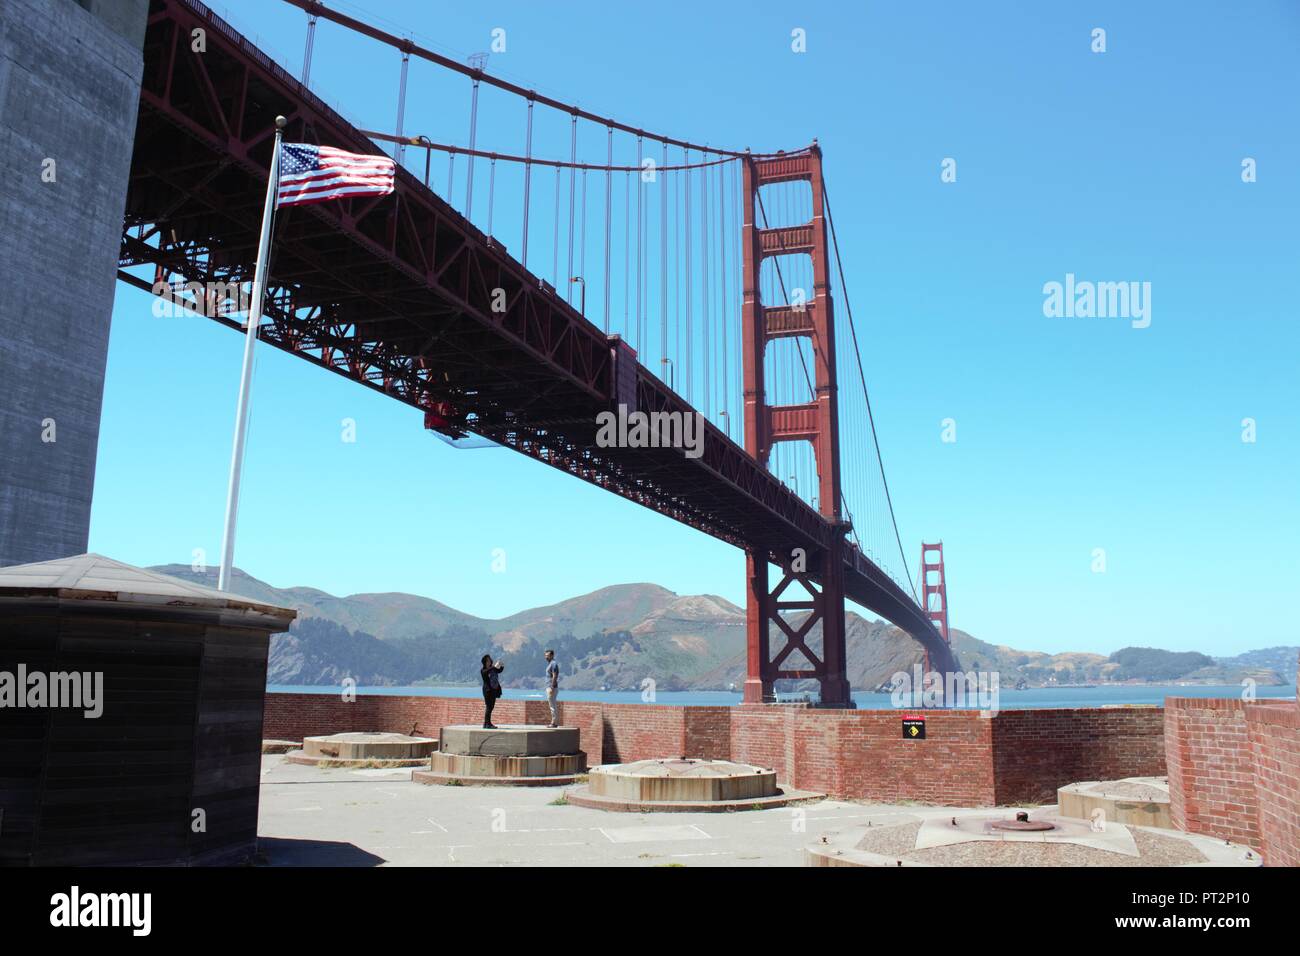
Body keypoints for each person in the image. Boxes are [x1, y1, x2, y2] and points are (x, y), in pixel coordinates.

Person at [481, 654, 504, 728]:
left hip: (493, 690)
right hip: (487, 690)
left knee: (491, 706)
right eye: (487, 660)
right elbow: (487, 672)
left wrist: (501, 665)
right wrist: (493, 667)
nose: (489, 661)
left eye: (489, 660)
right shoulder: (483, 670)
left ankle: (486, 723)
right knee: (489, 706)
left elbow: (499, 670)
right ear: (484, 662)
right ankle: (487, 724)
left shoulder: (492, 669)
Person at [543, 649, 560, 728]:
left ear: (552, 655)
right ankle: (554, 722)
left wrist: (552, 687)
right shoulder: (550, 664)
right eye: (545, 655)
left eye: (548, 655)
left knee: (552, 705)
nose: (546, 657)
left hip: (551, 687)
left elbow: (555, 675)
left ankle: (554, 723)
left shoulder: (553, 664)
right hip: (549, 687)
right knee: (552, 705)